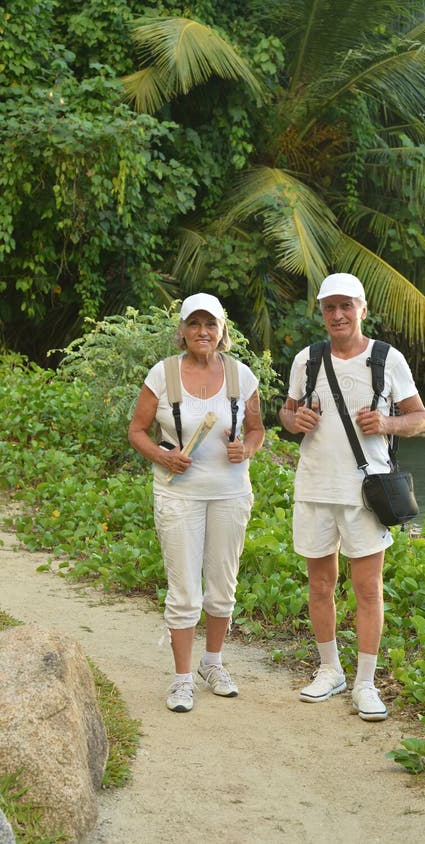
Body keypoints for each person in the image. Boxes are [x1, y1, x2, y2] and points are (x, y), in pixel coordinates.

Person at [279, 273, 425, 722]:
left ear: (362, 309)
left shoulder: (387, 359)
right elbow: (286, 413)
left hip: (366, 492)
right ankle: (330, 670)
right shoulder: (306, 360)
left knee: (368, 588)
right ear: (322, 313)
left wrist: (387, 424)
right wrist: (295, 419)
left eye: (346, 306)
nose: (338, 315)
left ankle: (365, 682)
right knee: (320, 585)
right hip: (314, 487)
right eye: (329, 308)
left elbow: (419, 418)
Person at [128, 293, 264, 713]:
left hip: (230, 493)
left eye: (211, 324)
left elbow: (257, 430)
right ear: (183, 330)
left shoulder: (241, 376)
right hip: (178, 495)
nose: (202, 332)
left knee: (222, 586)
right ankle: (182, 678)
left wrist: (248, 450)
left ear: (223, 331)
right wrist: (164, 455)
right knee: (185, 589)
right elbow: (137, 431)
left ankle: (213, 663)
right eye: (194, 324)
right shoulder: (163, 374)